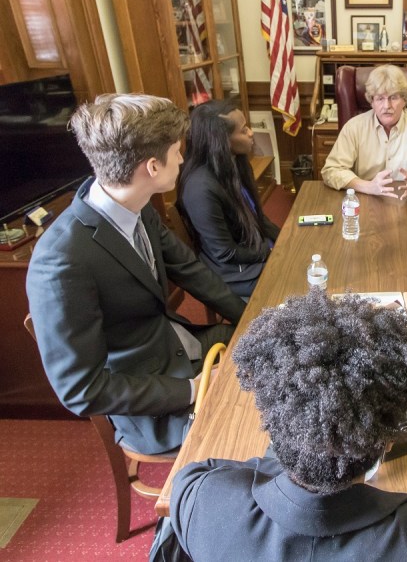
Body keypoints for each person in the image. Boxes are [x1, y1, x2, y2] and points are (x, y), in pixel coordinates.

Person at [170, 289, 407, 561]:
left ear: (271, 423)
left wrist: (303, 446)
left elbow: (206, 471)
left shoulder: (200, 499)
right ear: (389, 440)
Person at [26, 94, 245, 455]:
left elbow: (190, 270)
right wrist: (194, 388)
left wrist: (250, 318)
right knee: (267, 422)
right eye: (178, 151)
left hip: (174, 347)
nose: (183, 158)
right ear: (153, 167)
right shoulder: (61, 261)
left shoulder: (138, 206)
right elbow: (82, 391)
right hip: (150, 405)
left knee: (276, 354)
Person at [177, 100, 279, 298]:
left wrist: (283, 240)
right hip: (233, 271)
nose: (251, 133)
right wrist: (269, 251)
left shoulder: (236, 163)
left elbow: (257, 217)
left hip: (252, 248)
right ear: (222, 141)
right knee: (298, 279)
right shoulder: (200, 189)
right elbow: (226, 253)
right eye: (243, 130)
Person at [321, 65, 407, 200]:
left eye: (393, 97)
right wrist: (368, 186)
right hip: (365, 201)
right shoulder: (354, 128)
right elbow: (331, 171)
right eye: (380, 98)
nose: (387, 106)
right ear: (372, 101)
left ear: (405, 100)